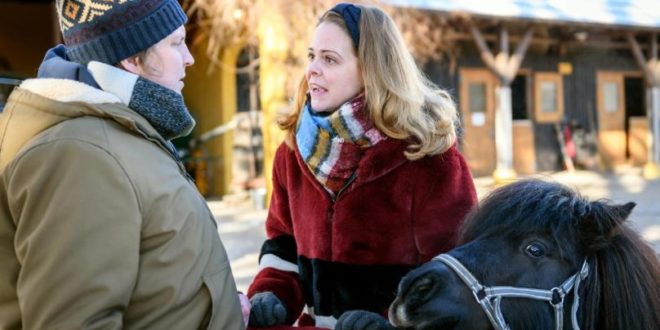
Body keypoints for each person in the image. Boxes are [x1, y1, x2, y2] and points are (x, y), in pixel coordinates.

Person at [0, 0, 245, 329]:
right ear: (131, 58)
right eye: (175, 43)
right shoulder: (80, 154)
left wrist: (220, 309)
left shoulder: (120, 127)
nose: (189, 59)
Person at [247, 3, 477, 330]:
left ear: (371, 69)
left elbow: (454, 274)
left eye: (329, 59)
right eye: (311, 56)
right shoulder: (291, 151)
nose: (312, 69)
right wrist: (272, 295)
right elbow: (283, 246)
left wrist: (391, 324)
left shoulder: (429, 158)